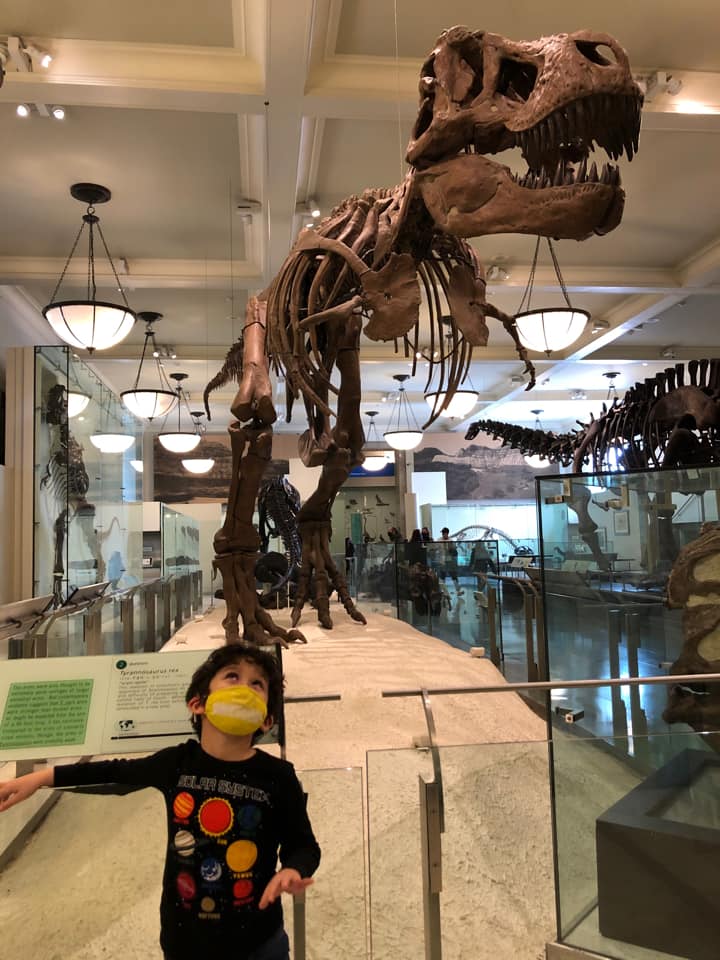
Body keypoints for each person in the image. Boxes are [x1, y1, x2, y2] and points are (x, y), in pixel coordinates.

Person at [0, 643, 321, 960]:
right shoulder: (176, 763)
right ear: (197, 703)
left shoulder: (278, 775)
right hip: (185, 938)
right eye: (232, 676)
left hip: (258, 938)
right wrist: (40, 778)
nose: (244, 688)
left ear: (267, 721)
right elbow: (114, 771)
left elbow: (303, 844)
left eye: (257, 684)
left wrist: (292, 868)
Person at [438, 527, 463, 594]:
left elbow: (454, 550)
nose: (444, 535)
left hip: (449, 561)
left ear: (447, 533)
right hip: (442, 560)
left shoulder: (451, 540)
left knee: (453, 575)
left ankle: (458, 590)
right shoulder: (439, 540)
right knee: (442, 576)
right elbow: (437, 550)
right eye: (443, 533)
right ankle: (442, 591)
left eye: (445, 533)